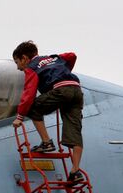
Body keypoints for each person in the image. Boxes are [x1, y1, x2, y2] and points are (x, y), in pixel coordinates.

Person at [11, 41, 84, 183]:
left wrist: (20, 117)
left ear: (24, 58)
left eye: (17, 62)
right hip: (76, 91)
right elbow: (72, 55)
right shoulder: (55, 58)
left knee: (32, 108)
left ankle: (46, 142)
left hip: (61, 91)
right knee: (75, 129)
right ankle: (75, 171)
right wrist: (64, 71)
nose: (18, 68)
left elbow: (29, 94)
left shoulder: (31, 67)